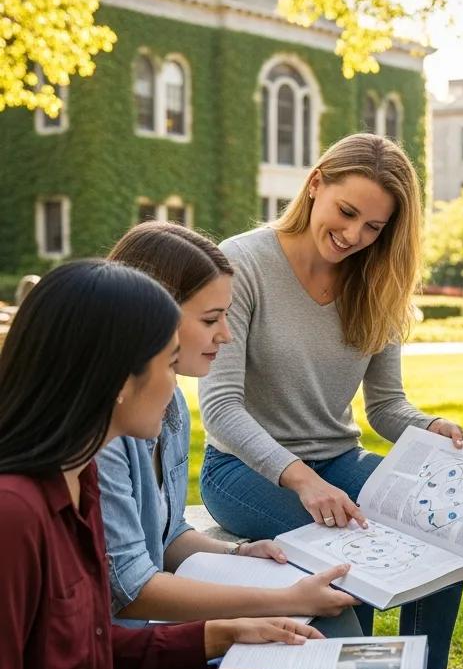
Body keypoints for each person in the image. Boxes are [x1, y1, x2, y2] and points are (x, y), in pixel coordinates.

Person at [0, 261, 322, 669]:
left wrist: (210, 636)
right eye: (170, 363)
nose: (177, 384)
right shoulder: (14, 514)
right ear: (121, 380)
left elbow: (79, 652)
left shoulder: (77, 477)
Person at [199, 133, 463, 669]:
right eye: (348, 213)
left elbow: (387, 409)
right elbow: (220, 407)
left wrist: (433, 428)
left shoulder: (377, 279)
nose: (354, 236)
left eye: (374, 228)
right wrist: (301, 479)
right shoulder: (243, 263)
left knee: (443, 538)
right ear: (316, 182)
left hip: (339, 461)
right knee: (354, 555)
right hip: (243, 470)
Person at [99, 223, 357, 628]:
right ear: (151, 313)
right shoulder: (105, 432)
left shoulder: (172, 407)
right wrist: (277, 601)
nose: (227, 334)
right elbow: (129, 589)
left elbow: (165, 537)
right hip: (120, 656)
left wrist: (239, 554)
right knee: (315, 620)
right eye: (211, 319)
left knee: (326, 611)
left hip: (143, 638)